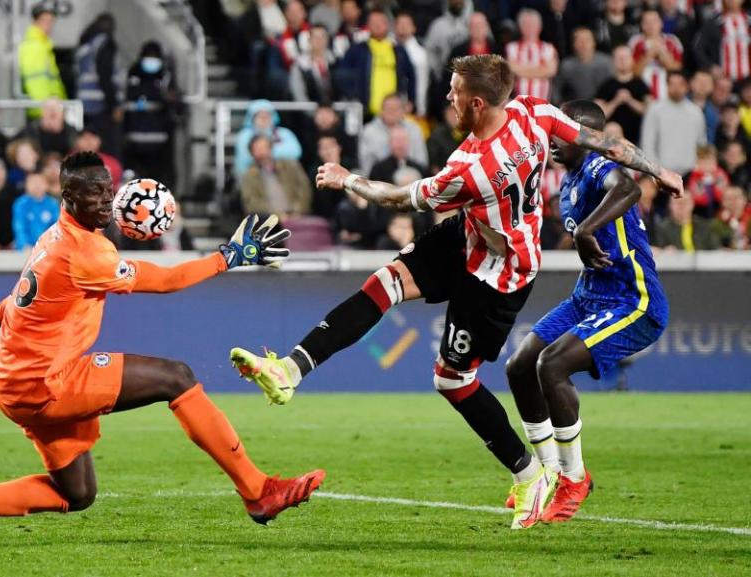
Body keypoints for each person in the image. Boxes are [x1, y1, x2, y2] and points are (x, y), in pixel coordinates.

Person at [228, 54, 682, 530]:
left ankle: (529, 473)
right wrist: (660, 171)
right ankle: (289, 369)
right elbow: (605, 142)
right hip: (471, 234)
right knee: (383, 283)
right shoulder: (533, 113)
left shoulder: (469, 169)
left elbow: (395, 198)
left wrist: (348, 180)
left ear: (477, 102)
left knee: (452, 380)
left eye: (455, 91)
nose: (448, 97)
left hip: (499, 275)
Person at [0, 151, 323, 535]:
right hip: (45, 383)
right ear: (68, 197)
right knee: (176, 377)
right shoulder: (85, 252)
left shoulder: (54, 235)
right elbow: (165, 281)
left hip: (14, 382)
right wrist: (229, 256)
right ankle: (258, 492)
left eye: (107, 189)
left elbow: (27, 296)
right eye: (92, 192)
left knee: (76, 493)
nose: (104, 199)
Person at [505, 100, 669, 523]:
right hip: (588, 296)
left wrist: (589, 231)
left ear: (587, 136)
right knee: (520, 365)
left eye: (564, 131)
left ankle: (574, 479)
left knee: (552, 366)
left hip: (631, 299)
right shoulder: (567, 182)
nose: (555, 138)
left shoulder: (597, 166)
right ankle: (547, 473)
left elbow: (629, 188)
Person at [337, 10, 416, 118]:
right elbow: (342, 74)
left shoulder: (398, 51)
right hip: (364, 112)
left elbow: (411, 76)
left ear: (388, 25)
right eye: (373, 22)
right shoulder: (357, 49)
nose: (378, 25)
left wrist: (411, 100)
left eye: (381, 22)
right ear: (367, 25)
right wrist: (353, 97)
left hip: (393, 112)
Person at [123, 41, 181, 188]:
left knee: (159, 185)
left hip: (160, 145)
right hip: (135, 144)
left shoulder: (165, 78)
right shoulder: (133, 76)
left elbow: (175, 107)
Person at [641, 71, 706, 176]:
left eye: (680, 84)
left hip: (690, 173)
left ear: (686, 86)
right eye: (672, 84)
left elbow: (701, 143)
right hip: (662, 173)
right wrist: (656, 172)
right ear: (667, 85)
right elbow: (648, 145)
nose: (676, 88)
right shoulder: (654, 110)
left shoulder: (696, 112)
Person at [240, 135, 312, 217]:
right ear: (251, 152)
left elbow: (304, 188)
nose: (262, 151)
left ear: (270, 148)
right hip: (269, 221)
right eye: (257, 148)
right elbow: (251, 203)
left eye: (264, 147)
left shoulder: (290, 166)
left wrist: (298, 210)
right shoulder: (249, 176)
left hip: (299, 216)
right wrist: (277, 215)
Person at [358, 93, 427, 175]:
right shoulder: (368, 131)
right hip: (380, 178)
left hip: (411, 178)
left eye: (396, 109)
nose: (392, 112)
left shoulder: (414, 129)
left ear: (403, 111)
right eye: (389, 109)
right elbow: (366, 164)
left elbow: (422, 161)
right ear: (381, 111)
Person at [595, 46, 651, 144]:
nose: (623, 61)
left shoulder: (641, 84)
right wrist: (616, 101)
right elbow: (598, 115)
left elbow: (650, 111)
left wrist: (630, 101)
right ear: (613, 61)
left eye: (626, 57)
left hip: (638, 139)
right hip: (612, 140)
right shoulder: (606, 86)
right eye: (619, 58)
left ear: (632, 60)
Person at [19, 3, 66, 118]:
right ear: (35, 22)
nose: (48, 25)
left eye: (51, 21)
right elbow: (36, 82)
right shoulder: (34, 46)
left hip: (49, 111)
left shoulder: (43, 45)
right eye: (45, 21)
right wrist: (49, 110)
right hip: (43, 114)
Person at [234, 100, 302, 177]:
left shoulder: (284, 133)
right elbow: (246, 157)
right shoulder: (244, 135)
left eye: (267, 115)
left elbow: (296, 151)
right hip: (253, 177)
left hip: (282, 176)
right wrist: (274, 152)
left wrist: (264, 151)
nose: (264, 119)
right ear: (252, 119)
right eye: (260, 116)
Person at [628, 9, 683, 100]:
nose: (651, 25)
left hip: (667, 90)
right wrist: (649, 55)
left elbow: (677, 70)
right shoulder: (635, 42)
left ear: (661, 23)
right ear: (641, 25)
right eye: (646, 22)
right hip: (641, 91)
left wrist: (662, 53)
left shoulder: (672, 41)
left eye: (654, 21)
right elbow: (633, 72)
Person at [505, 9, 558, 101]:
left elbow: (551, 71)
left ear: (539, 26)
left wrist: (522, 70)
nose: (529, 28)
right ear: (520, 27)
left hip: (542, 104)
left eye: (533, 24)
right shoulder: (512, 47)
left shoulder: (548, 48)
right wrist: (540, 69)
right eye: (526, 24)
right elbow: (512, 69)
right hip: (518, 104)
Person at [693, 0, 751, 84]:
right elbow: (698, 48)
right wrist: (710, 67)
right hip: (722, 82)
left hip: (748, 82)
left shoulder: (748, 21)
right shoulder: (713, 22)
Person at [555, 28, 613, 102]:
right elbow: (556, 90)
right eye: (579, 40)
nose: (583, 44)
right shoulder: (566, 66)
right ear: (573, 44)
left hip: (603, 107)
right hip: (575, 108)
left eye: (587, 40)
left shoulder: (607, 63)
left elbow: (615, 87)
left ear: (594, 42)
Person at [653, 191, 722, 250]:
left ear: (692, 204)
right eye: (677, 202)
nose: (681, 205)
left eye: (685, 202)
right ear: (670, 206)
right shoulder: (662, 228)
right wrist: (664, 252)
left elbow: (716, 250)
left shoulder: (705, 226)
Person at [289, 24, 336, 104]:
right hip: (309, 111)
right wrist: (313, 113)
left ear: (327, 40)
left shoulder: (335, 62)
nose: (319, 40)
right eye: (315, 37)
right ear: (309, 40)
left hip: (335, 111)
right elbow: (298, 94)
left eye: (322, 37)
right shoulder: (299, 65)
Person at [12, 172, 60, 251]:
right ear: (26, 185)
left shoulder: (52, 204)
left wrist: (52, 247)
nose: (37, 185)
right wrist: (25, 245)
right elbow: (19, 227)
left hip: (48, 250)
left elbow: (56, 227)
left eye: (40, 182)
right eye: (33, 182)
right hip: (25, 250)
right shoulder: (20, 204)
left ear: (46, 185)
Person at [394, 13, 428, 117]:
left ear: (414, 28)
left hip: (411, 107)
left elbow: (422, 84)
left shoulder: (420, 54)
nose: (403, 27)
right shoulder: (388, 47)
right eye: (399, 23)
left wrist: (419, 107)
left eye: (407, 24)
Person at [686, 145, 730, 218]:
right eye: (703, 161)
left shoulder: (721, 175)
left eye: (710, 160)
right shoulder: (690, 176)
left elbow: (725, 193)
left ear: (716, 161)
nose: (707, 164)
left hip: (718, 211)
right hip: (697, 213)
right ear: (697, 162)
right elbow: (692, 195)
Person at [425, 106, 465, 173]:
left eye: (456, 113)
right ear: (445, 115)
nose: (454, 117)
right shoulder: (437, 134)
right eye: (451, 114)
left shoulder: (469, 132)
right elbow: (433, 165)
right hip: (444, 174)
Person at [714, 185, 751, 249]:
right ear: (723, 202)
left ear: (745, 200)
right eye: (729, 198)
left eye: (737, 197)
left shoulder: (749, 220)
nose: (733, 201)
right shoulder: (716, 224)